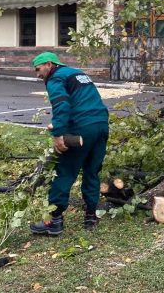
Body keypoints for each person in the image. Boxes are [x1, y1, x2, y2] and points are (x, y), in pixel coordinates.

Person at [29, 52, 110, 235]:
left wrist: (58, 133)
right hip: (101, 125)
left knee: (65, 172)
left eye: (38, 69)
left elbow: (62, 105)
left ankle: (54, 220)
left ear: (48, 64)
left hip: (82, 128)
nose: (38, 74)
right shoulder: (78, 73)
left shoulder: (55, 78)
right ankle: (90, 216)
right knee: (92, 171)